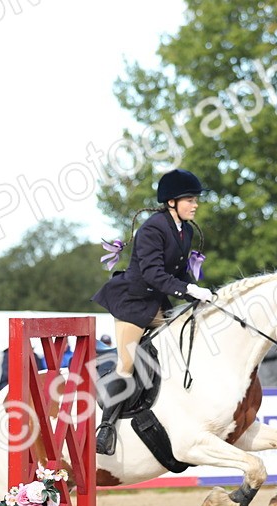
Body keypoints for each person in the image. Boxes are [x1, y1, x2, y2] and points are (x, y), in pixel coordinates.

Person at [91, 168, 213, 455]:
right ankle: (105, 429)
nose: (195, 205)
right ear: (171, 201)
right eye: (189, 200)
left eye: (195, 200)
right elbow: (154, 274)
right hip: (132, 302)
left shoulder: (183, 230)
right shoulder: (153, 228)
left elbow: (181, 272)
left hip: (157, 303)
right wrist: (188, 291)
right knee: (127, 363)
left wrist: (198, 292)